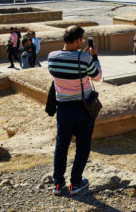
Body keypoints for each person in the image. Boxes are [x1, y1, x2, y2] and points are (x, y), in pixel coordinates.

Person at [47, 25, 102, 196]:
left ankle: (58, 184)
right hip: (83, 108)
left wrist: (83, 57)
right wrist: (93, 57)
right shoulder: (84, 57)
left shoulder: (52, 57)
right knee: (83, 145)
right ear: (78, 40)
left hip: (63, 108)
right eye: (82, 39)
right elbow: (98, 77)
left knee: (61, 145)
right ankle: (76, 183)